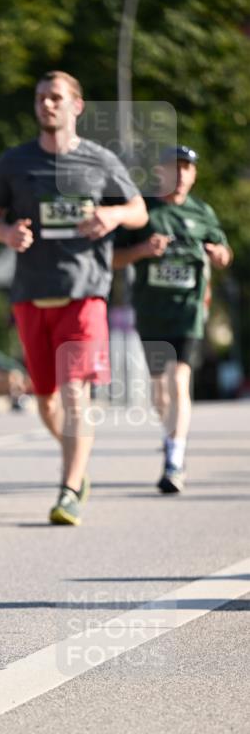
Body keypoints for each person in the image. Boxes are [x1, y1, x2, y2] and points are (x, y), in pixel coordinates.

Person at [0, 71, 148, 525]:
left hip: (85, 293)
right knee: (46, 401)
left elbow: (139, 210)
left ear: (76, 106)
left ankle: (69, 487)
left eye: (55, 97)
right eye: (40, 98)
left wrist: (112, 214)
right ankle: (78, 454)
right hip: (31, 294)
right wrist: (8, 233)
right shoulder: (15, 162)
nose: (46, 105)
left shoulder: (100, 160)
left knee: (76, 393)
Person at [113, 145, 233, 493]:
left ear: (194, 174)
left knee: (179, 381)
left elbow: (225, 251)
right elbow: (114, 259)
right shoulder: (143, 211)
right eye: (173, 167)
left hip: (189, 311)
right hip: (152, 313)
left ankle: (174, 460)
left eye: (187, 168)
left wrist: (219, 254)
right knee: (160, 390)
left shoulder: (202, 212)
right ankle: (170, 436)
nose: (180, 175)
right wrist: (142, 250)